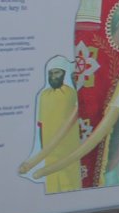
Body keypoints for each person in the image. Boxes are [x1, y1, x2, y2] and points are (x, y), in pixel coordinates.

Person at [28, 56, 84, 193]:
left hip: (69, 151)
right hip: (49, 152)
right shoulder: (44, 95)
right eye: (51, 73)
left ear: (64, 74)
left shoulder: (70, 93)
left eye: (57, 72)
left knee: (70, 185)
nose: (53, 77)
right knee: (53, 184)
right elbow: (41, 124)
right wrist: (43, 149)